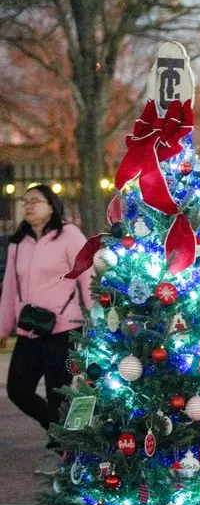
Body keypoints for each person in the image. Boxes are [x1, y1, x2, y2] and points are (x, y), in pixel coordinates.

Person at [0, 185, 93, 475]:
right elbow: (10, 289)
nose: (28, 206)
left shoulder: (69, 236)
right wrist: (3, 327)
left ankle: (58, 450)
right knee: (18, 389)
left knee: (58, 393)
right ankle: (60, 435)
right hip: (29, 330)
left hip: (62, 328)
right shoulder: (18, 243)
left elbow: (87, 276)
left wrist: (97, 317)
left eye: (35, 202)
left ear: (51, 206)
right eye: (25, 202)